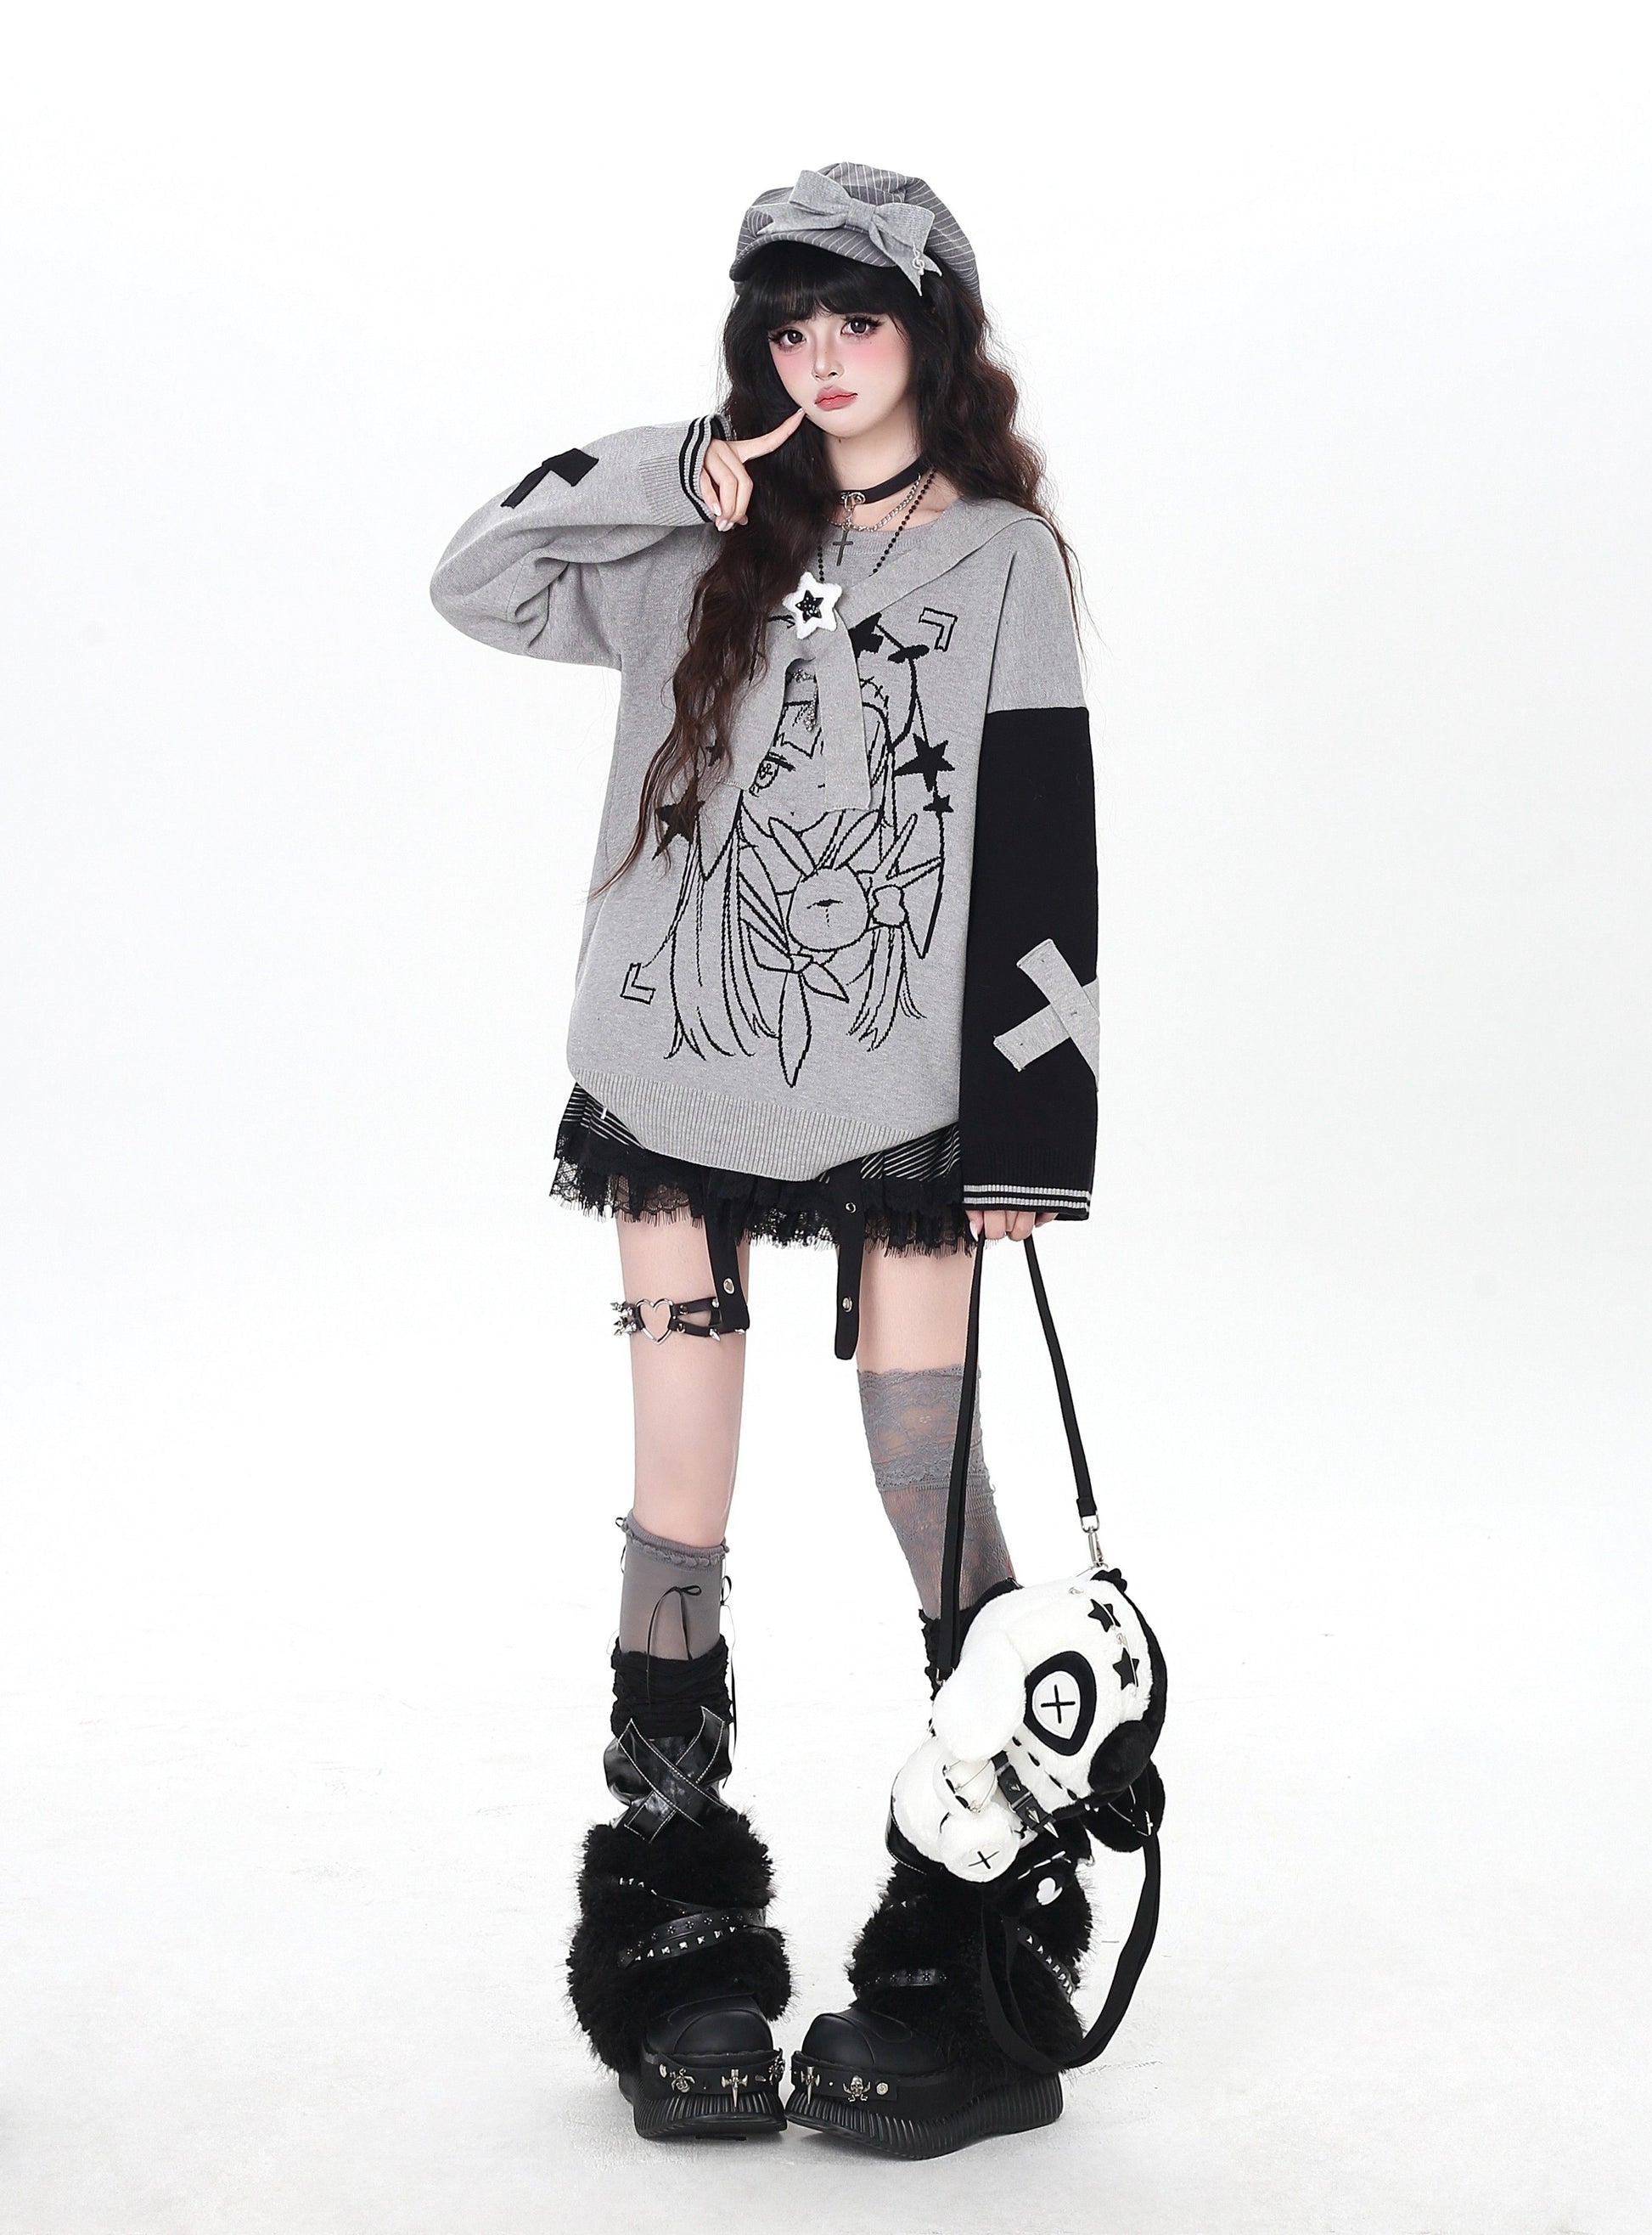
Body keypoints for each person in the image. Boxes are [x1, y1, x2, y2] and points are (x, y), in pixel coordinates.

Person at [429, 163, 1100, 2156]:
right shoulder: (692, 532)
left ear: (930, 333)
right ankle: (676, 1931)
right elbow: (473, 574)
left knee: (925, 1467)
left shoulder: (999, 559)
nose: (819, 356)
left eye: (855, 319)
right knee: (678, 1494)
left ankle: (979, 1917)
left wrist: (1034, 1131)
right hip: (668, 1092)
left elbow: (1040, 831)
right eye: (788, 325)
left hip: (910, 1107)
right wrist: (677, 468)